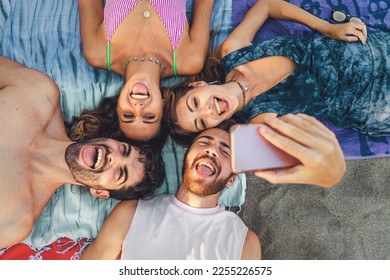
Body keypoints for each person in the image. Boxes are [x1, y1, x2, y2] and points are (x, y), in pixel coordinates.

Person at [79, 113, 346, 260]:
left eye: (225, 150)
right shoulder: (131, 212)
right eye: (204, 142)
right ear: (187, 159)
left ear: (232, 179)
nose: (212, 151)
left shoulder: (245, 241)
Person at [164, 0, 389, 142]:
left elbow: (266, 6)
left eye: (195, 104)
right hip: (372, 103)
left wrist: (325, 27)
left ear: (197, 85)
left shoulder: (232, 52)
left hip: (368, 50)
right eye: (202, 122)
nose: (207, 111)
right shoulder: (258, 120)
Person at [0, 56, 165, 249]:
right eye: (124, 149)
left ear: (100, 192)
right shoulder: (40, 94)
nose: (114, 157)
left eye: (120, 173)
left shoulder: (16, 220)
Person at [76, 0, 215, 145]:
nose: (138, 107)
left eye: (128, 115)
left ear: (118, 105)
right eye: (149, 116)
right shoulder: (188, 60)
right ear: (162, 105)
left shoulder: (98, 52)